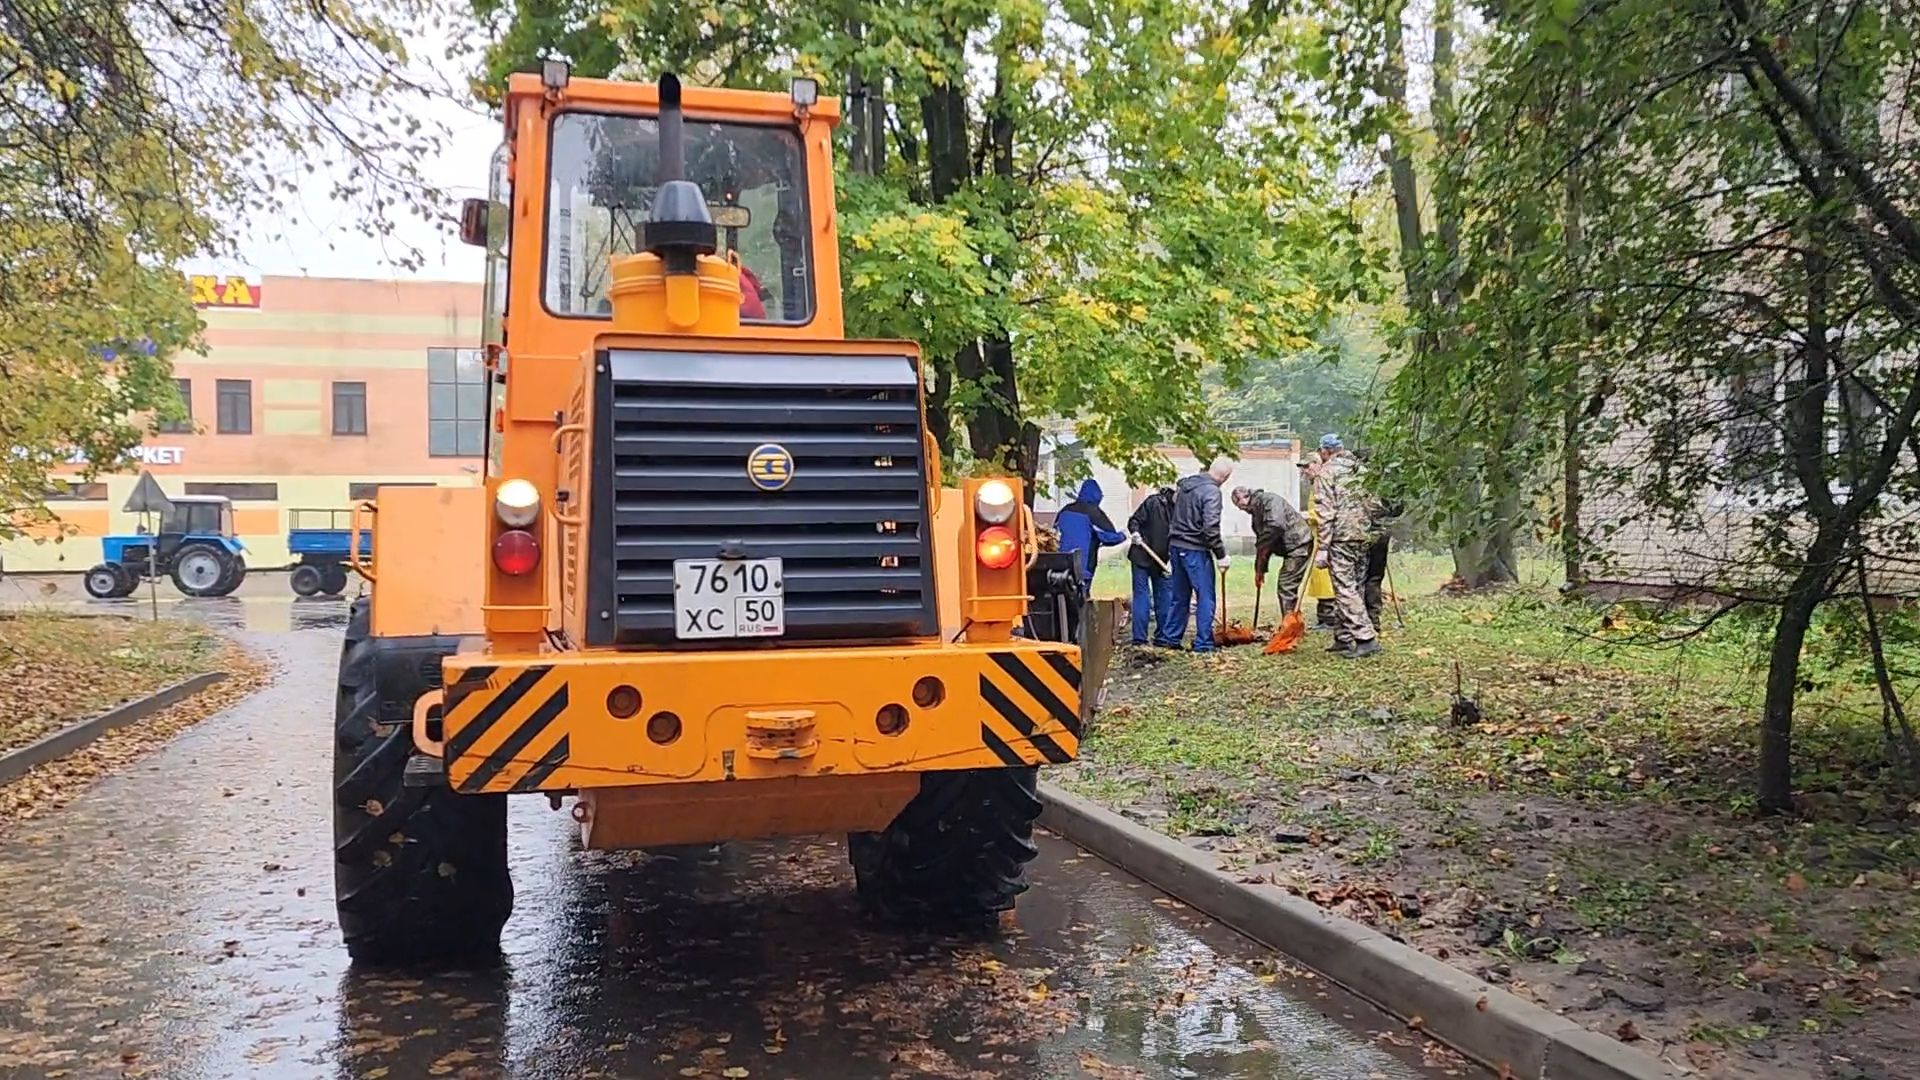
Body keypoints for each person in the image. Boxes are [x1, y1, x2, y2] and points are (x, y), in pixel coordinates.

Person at [1311, 433, 1380, 658]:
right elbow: (1376, 504)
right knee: (1355, 586)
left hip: (1341, 537)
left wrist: (1323, 546)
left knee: (1344, 589)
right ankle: (1343, 636)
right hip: (1363, 536)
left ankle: (1365, 638)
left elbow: (1325, 511)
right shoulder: (1361, 470)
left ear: (1324, 451)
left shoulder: (1326, 473)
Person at [1161, 456, 1233, 652]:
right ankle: (1203, 643)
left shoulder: (1186, 487)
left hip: (1175, 545)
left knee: (1179, 595)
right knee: (1205, 596)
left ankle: (1171, 638)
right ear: (1225, 478)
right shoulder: (1212, 492)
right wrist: (1221, 554)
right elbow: (1210, 527)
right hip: (1195, 549)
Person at [1232, 486, 1312, 621]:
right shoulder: (1257, 514)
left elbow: (1273, 529)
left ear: (1246, 497)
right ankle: (1290, 620)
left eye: (1242, 507)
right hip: (1291, 546)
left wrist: (1260, 564)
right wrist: (1260, 570)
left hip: (1299, 543)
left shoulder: (1270, 501)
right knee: (1286, 584)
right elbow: (1264, 545)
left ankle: (1290, 624)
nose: (1243, 510)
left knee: (1286, 584)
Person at [1125, 486, 1177, 646]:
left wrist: (1172, 559)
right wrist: (1135, 533)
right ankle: (1140, 638)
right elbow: (1134, 521)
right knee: (1142, 596)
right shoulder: (1153, 502)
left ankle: (1163, 637)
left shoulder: (1181, 510)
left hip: (1163, 560)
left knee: (1165, 598)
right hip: (1142, 555)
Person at [1053, 478, 1125, 586]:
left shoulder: (1065, 510)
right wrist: (1123, 535)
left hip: (1059, 564)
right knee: (1081, 597)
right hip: (1083, 566)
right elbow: (1109, 537)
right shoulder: (1094, 513)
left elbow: (1053, 534)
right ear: (1097, 496)